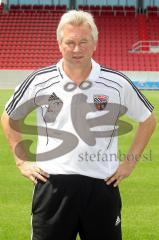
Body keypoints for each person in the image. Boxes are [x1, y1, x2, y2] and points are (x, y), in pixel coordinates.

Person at [1, 10, 156, 240]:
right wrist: (21, 160)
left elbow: (148, 119)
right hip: (52, 185)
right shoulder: (40, 80)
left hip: (101, 186)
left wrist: (129, 163)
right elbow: (9, 116)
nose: (76, 49)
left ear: (94, 43)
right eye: (70, 42)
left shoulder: (116, 82)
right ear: (59, 44)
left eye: (83, 42)